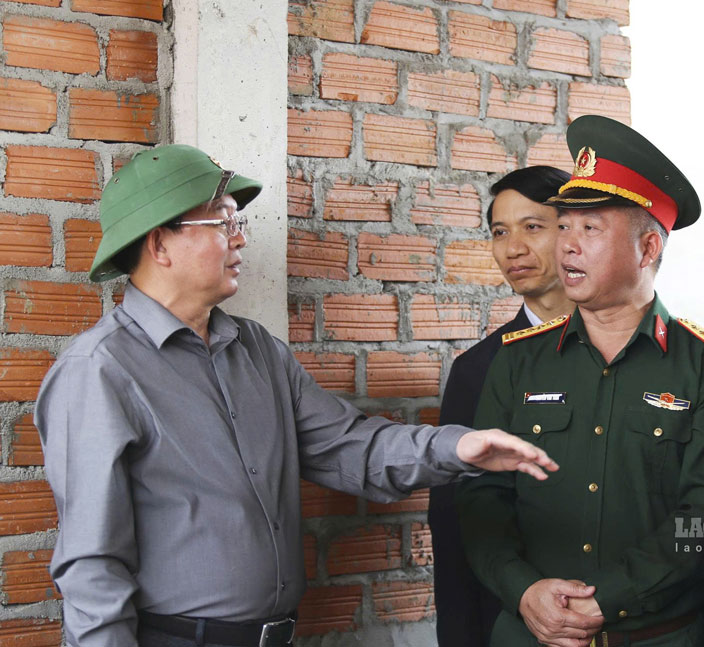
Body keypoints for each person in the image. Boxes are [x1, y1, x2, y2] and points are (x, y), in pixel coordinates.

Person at [34, 144, 558, 647]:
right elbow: (92, 565)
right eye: (223, 223)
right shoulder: (98, 371)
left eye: (238, 223)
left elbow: (351, 447)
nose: (240, 240)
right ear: (160, 244)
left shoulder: (256, 350)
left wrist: (456, 448)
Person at [457, 115, 704, 647]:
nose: (568, 245)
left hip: (657, 636)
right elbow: (482, 497)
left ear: (647, 249)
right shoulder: (517, 362)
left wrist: (607, 598)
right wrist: (524, 591)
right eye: (564, 226)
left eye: (590, 230)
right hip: (530, 634)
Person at [429, 165, 573, 647]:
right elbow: (454, 525)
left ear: (575, 232)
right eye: (499, 232)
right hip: (517, 620)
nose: (513, 249)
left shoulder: (652, 352)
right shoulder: (479, 369)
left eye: (533, 227)